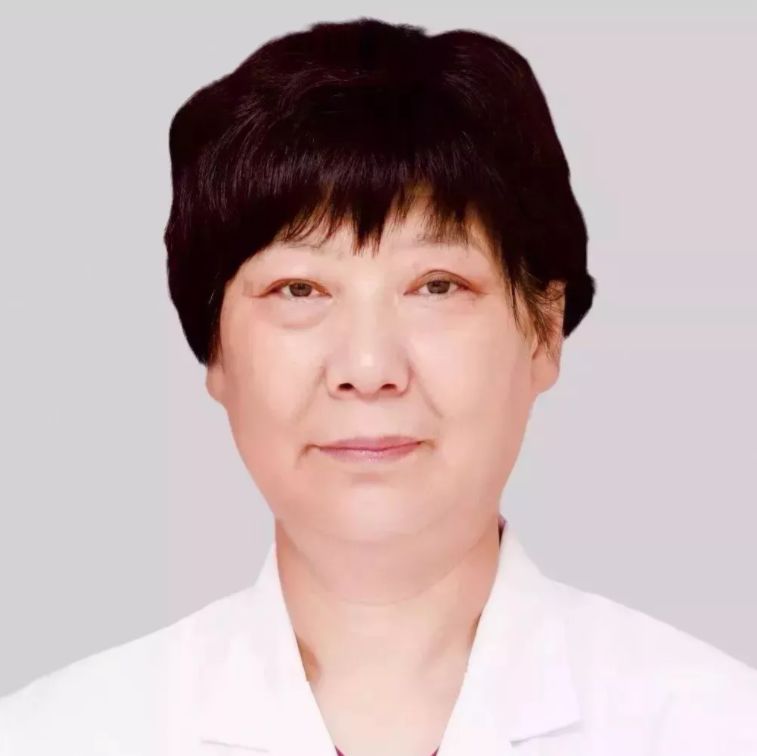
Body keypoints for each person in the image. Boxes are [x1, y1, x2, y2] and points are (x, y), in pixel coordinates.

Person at [1, 16, 756, 756]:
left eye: (436, 285)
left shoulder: (718, 729)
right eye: (299, 289)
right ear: (215, 350)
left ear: (544, 330)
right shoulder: (55, 737)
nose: (368, 367)